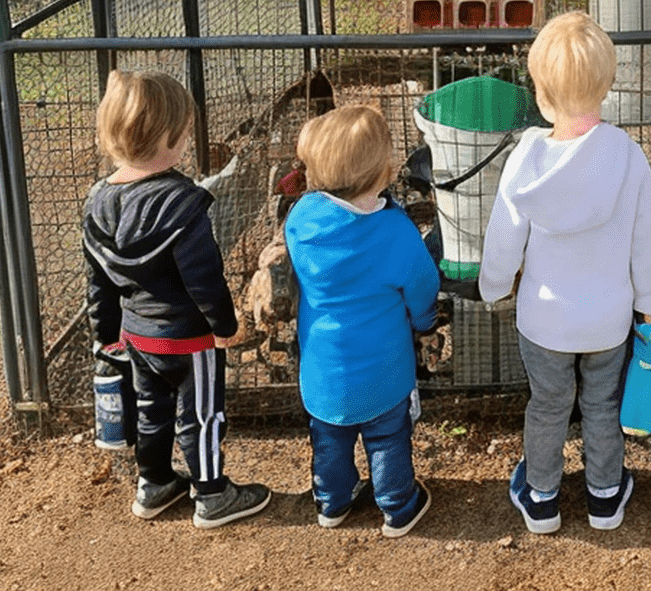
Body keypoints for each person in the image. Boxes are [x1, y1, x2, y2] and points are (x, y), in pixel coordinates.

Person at [480, 11, 651, 534]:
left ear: (539, 92)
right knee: (602, 404)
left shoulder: (524, 161)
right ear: (606, 86)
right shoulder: (628, 157)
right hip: (607, 320)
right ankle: (605, 495)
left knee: (548, 404)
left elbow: (504, 236)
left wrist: (493, 286)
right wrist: (649, 300)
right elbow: (644, 239)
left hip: (544, 320)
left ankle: (541, 496)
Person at [83, 69, 271, 528]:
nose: (187, 140)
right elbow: (204, 279)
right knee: (202, 416)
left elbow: (99, 280)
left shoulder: (96, 203)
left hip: (137, 336)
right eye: (184, 133)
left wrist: (106, 334)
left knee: (152, 412)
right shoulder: (184, 204)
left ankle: (154, 484)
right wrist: (225, 328)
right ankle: (212, 494)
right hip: (189, 338)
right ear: (166, 137)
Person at [285, 105, 442, 537]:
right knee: (388, 437)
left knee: (330, 438)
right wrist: (426, 320)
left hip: (321, 367)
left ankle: (331, 503)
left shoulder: (300, 220)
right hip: (384, 369)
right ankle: (398, 506)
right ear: (382, 173)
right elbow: (422, 285)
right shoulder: (394, 230)